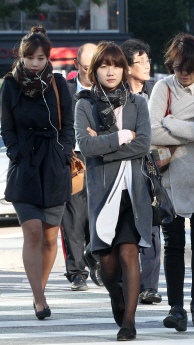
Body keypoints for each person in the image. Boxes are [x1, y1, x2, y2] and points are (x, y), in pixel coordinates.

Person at [74, 41, 152, 341]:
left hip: (133, 192)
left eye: (116, 65)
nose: (111, 71)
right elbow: (86, 145)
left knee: (130, 254)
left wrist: (104, 147)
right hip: (102, 192)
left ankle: (129, 322)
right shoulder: (84, 104)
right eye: (104, 66)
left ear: (124, 69)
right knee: (107, 263)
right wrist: (121, 136)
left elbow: (143, 144)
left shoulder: (138, 103)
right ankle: (116, 298)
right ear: (95, 70)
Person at [149, 33, 194, 330]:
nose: (183, 73)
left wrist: (171, 122)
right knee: (174, 244)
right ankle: (176, 307)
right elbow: (151, 132)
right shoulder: (162, 87)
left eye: (189, 67)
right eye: (178, 67)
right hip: (170, 178)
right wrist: (192, 124)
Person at [1, 26, 74, 320]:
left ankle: (38, 290)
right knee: (31, 231)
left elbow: (68, 124)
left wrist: (65, 152)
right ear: (21, 55)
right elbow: (6, 127)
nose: (34, 63)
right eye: (29, 57)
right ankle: (39, 298)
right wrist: (16, 152)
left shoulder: (57, 83)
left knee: (49, 237)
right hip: (25, 167)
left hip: (54, 165)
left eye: (40, 57)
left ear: (47, 58)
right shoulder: (10, 85)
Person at [120, 38, 162, 305]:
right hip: (123, 168)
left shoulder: (157, 91)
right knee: (123, 226)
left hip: (153, 167)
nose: (147, 65)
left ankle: (149, 286)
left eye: (148, 60)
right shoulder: (116, 94)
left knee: (153, 227)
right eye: (141, 61)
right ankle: (124, 280)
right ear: (127, 66)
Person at [62, 42, 103, 291]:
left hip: (100, 156)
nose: (92, 72)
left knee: (99, 215)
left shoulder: (108, 90)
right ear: (77, 65)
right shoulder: (64, 91)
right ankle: (76, 271)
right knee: (73, 217)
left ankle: (97, 261)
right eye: (88, 68)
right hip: (73, 158)